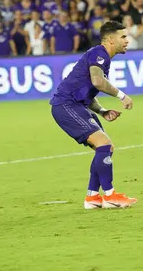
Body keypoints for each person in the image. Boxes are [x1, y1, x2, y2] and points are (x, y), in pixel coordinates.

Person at [49, 20, 136, 210]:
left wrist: (102, 111)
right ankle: (111, 195)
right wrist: (122, 95)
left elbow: (86, 91)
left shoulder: (101, 57)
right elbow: (97, 82)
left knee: (106, 147)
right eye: (123, 37)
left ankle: (92, 197)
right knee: (103, 144)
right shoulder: (99, 54)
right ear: (111, 40)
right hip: (66, 106)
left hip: (76, 105)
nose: (127, 41)